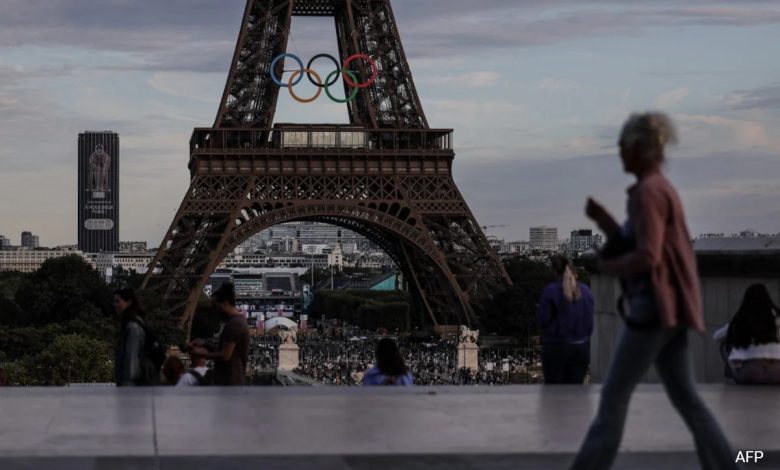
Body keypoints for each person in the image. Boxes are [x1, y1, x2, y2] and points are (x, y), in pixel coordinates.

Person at [571, 113, 737, 470]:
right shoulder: (660, 188)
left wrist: (606, 267)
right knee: (688, 399)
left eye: (623, 146)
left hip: (653, 307)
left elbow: (648, 255)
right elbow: (646, 244)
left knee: (613, 398)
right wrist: (604, 222)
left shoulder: (648, 193)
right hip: (672, 307)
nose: (619, 153)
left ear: (639, 149)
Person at [537, 255, 594, 384]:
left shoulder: (551, 291)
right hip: (580, 348)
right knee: (575, 391)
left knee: (554, 392)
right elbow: (590, 323)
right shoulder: (585, 290)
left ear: (554, 271)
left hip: (556, 347)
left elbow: (543, 320)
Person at [713, 284, 780, 384]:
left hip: (751, 373)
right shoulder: (778, 318)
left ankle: (733, 373)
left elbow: (716, 336)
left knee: (724, 344)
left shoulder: (740, 319)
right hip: (777, 372)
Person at [190, 283, 249, 386]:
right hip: (232, 381)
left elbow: (225, 356)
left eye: (215, 306)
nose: (214, 310)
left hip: (230, 383)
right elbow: (227, 352)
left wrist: (200, 354)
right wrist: (205, 343)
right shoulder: (238, 322)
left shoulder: (234, 325)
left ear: (225, 304)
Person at [114, 287, 157, 386]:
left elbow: (131, 357)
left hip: (131, 385)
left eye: (118, 301)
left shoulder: (132, 326)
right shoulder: (135, 322)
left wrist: (127, 384)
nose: (115, 305)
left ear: (128, 302)